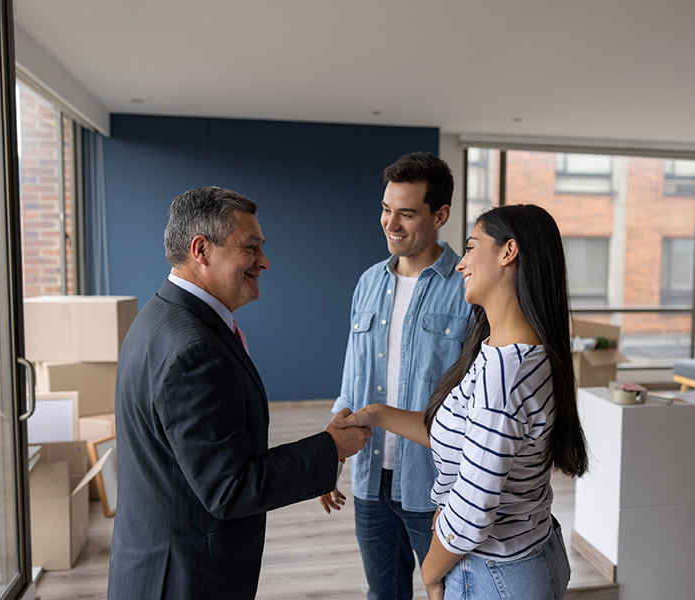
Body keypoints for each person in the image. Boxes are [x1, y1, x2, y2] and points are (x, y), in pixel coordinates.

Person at [107, 187, 371, 600]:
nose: (264, 261)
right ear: (201, 250)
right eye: (251, 248)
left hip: (157, 563)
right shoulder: (195, 350)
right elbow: (230, 487)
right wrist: (330, 447)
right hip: (185, 579)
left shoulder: (159, 316)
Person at [336, 204, 589, 600]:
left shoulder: (503, 375)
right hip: (532, 551)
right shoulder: (513, 351)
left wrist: (431, 572)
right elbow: (469, 439)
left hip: (494, 572)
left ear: (509, 252)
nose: (461, 264)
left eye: (471, 248)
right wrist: (377, 414)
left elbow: (471, 512)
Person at [320, 152, 472, 599]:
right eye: (387, 209)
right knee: (382, 594)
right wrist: (332, 451)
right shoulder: (368, 282)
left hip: (435, 484)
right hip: (370, 479)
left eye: (406, 213)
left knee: (448, 592)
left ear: (440, 215)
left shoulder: (467, 288)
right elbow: (352, 379)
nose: (391, 223)